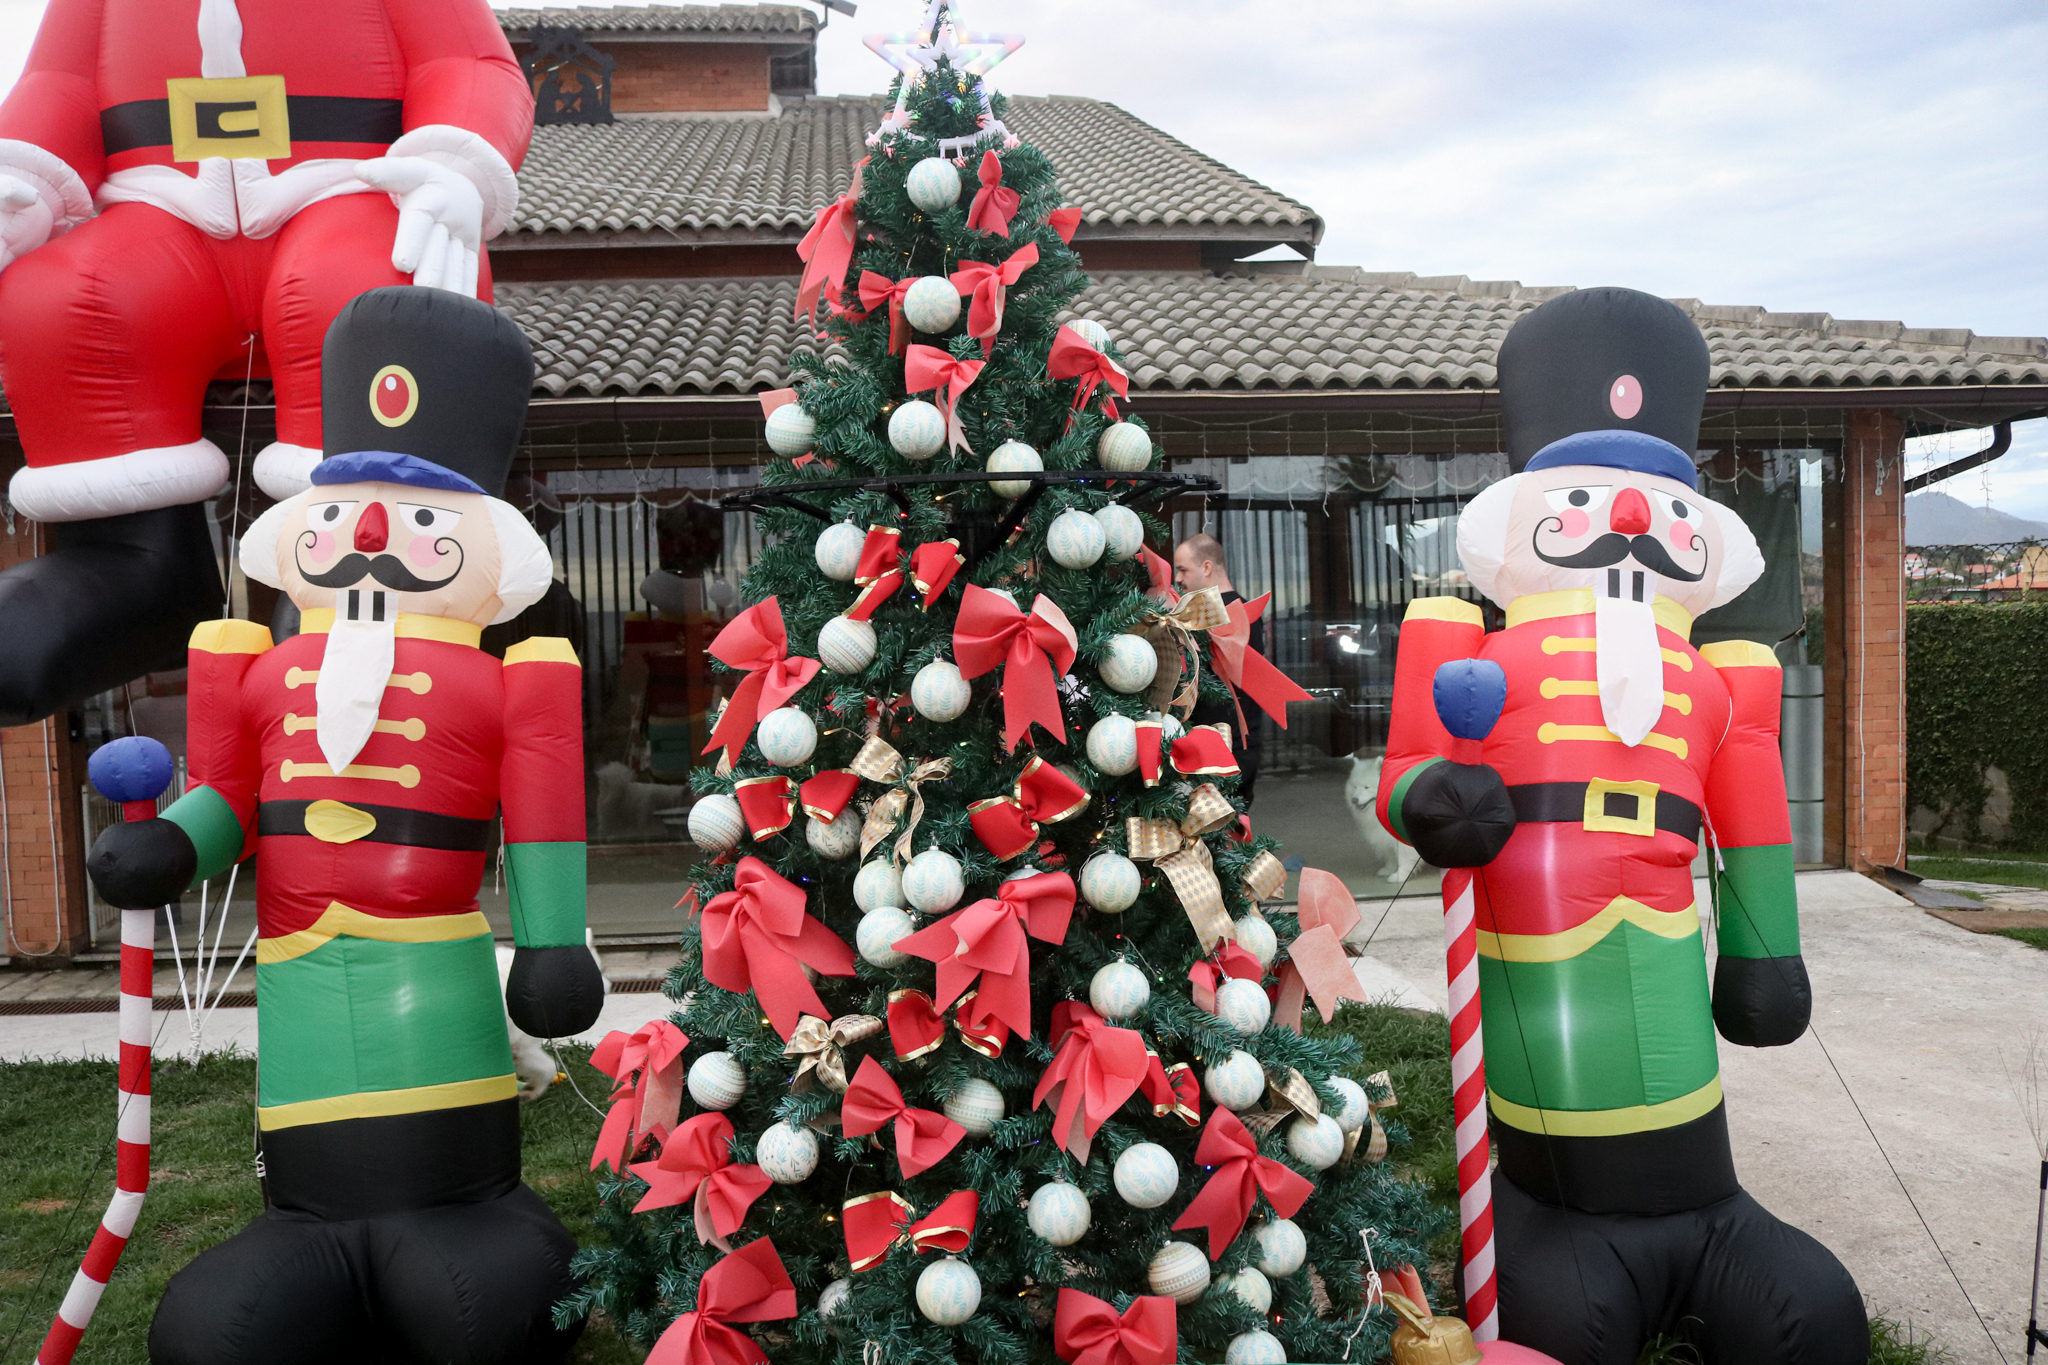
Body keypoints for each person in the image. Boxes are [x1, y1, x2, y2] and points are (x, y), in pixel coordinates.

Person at [1174, 533, 1264, 807]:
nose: (1178, 579)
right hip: (1238, 743)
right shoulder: (1244, 609)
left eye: (1183, 569)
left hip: (1223, 747)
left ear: (1207, 567)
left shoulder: (1218, 615)